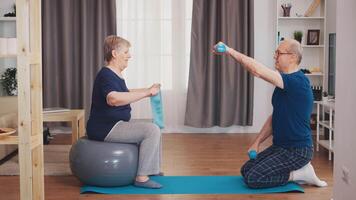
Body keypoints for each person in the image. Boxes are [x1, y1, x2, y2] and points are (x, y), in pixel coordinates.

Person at [213, 39, 327, 188]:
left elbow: (257, 70)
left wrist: (229, 50)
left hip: (298, 151)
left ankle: (299, 174)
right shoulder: (283, 84)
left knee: (253, 179)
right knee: (246, 170)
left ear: (293, 57)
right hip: (280, 146)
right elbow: (275, 117)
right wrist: (257, 142)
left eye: (279, 53)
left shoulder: (297, 81)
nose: (275, 56)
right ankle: (299, 172)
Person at [87, 35, 163, 189]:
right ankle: (141, 178)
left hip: (114, 124)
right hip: (106, 128)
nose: (130, 55)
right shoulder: (106, 74)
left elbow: (125, 92)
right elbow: (113, 99)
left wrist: (148, 90)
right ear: (115, 54)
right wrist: (146, 93)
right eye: (126, 52)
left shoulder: (114, 75)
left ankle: (151, 169)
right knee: (151, 130)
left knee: (152, 125)